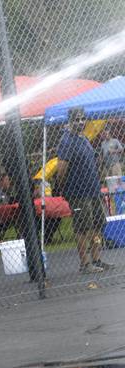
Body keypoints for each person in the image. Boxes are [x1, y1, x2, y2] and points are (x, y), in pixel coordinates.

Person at [55, 107, 110, 274]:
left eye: (82, 119)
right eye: (77, 119)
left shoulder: (84, 137)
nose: (80, 122)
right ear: (70, 121)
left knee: (98, 224)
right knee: (82, 227)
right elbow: (61, 169)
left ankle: (96, 259)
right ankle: (85, 264)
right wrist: (64, 188)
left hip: (93, 190)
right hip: (78, 193)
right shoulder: (66, 141)